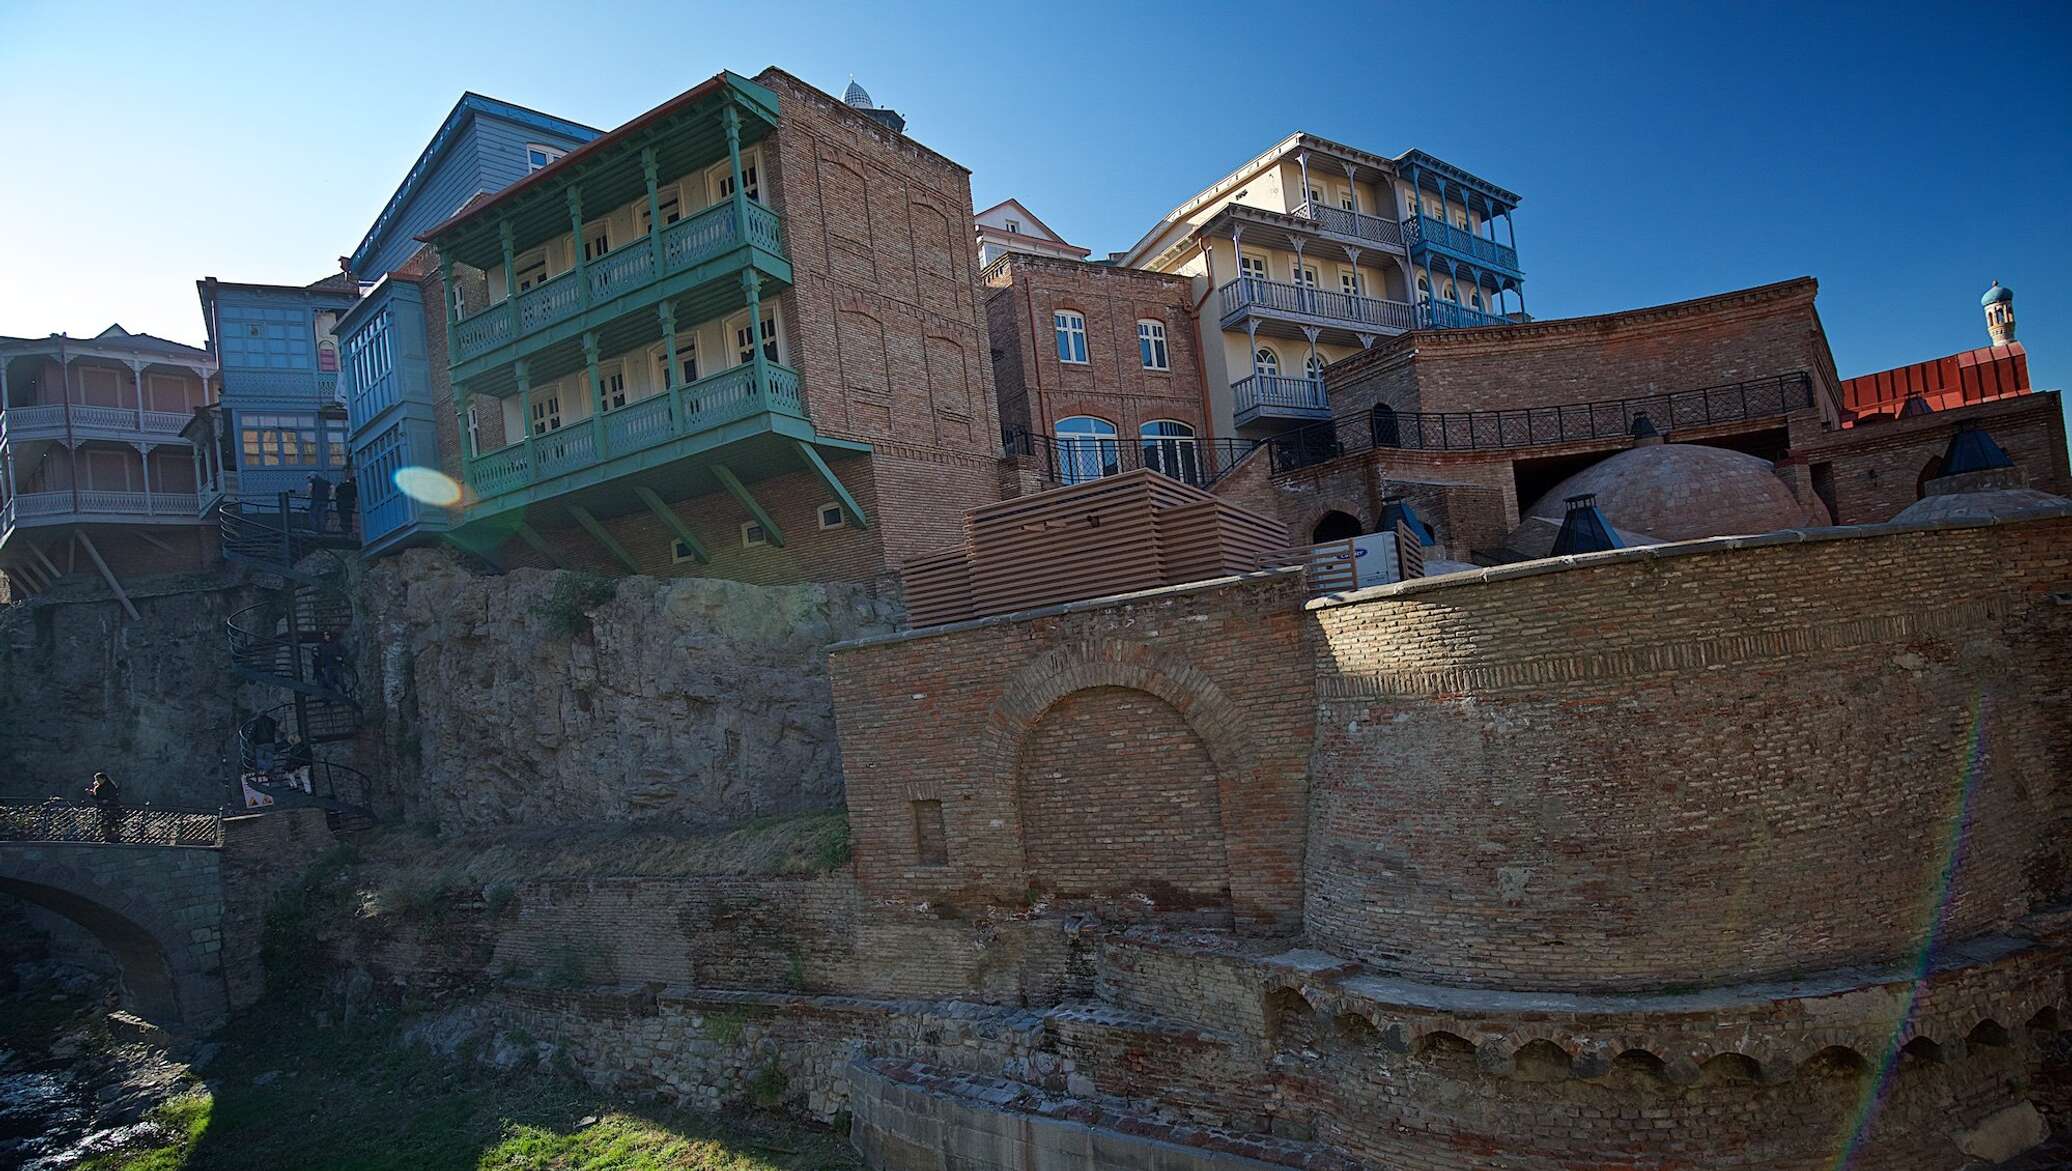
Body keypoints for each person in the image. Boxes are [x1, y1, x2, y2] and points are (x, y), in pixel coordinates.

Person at [87, 771, 122, 843]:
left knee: (112, 823)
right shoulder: (98, 788)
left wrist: (107, 800)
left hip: (111, 808)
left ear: (104, 779)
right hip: (102, 809)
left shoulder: (110, 786)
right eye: (97, 780)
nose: (98, 781)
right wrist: (91, 794)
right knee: (104, 824)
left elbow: (114, 796)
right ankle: (106, 838)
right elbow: (98, 799)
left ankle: (114, 838)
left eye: (99, 779)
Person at [312, 631, 348, 695]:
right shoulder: (321, 645)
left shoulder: (336, 643)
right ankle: (335, 693)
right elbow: (316, 652)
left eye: (327, 635)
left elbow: (345, 650)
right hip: (327, 665)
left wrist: (341, 657)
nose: (326, 636)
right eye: (325, 635)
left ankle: (344, 691)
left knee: (340, 680)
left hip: (336, 665)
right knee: (328, 681)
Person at [334, 469, 358, 538]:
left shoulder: (341, 486)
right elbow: (356, 496)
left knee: (343, 518)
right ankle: (348, 532)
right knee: (349, 519)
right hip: (349, 505)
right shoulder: (354, 487)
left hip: (341, 505)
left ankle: (345, 531)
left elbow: (336, 493)